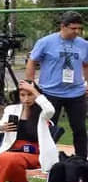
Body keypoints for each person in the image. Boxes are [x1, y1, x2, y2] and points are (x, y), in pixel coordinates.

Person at [25, 11, 88, 158]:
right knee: (47, 128)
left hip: (76, 93)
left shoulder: (84, 45)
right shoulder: (46, 42)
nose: (77, 32)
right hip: (51, 93)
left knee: (79, 128)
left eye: (79, 28)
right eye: (73, 28)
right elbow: (32, 61)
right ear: (63, 26)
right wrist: (30, 85)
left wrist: (86, 82)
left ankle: (81, 161)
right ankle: (44, 158)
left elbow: (85, 64)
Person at [0, 80, 57, 182]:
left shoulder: (42, 112)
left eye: (29, 94)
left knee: (9, 159)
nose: (26, 98)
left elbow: (50, 110)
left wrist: (34, 91)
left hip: (37, 153)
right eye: (22, 95)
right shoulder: (12, 109)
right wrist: (1, 127)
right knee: (0, 159)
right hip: (13, 150)